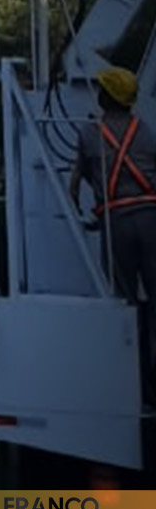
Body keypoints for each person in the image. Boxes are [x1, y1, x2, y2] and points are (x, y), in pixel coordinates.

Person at [69, 66, 156, 399]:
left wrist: (77, 212)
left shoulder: (90, 134)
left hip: (116, 221)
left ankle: (133, 376)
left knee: (125, 299)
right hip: (151, 218)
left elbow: (77, 179)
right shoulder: (147, 133)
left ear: (108, 97)